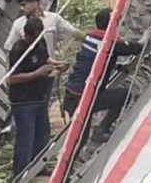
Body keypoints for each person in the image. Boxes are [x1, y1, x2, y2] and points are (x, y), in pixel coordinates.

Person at [62, 8, 145, 144]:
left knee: (79, 138)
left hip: (72, 94)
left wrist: (116, 66)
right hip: (85, 96)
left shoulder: (90, 37)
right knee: (124, 95)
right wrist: (146, 37)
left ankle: (71, 159)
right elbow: (135, 48)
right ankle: (101, 130)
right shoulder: (110, 43)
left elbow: (95, 59)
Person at [8, 17, 63, 176]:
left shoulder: (41, 42)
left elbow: (45, 58)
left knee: (42, 134)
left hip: (40, 96)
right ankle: (21, 174)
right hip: (24, 101)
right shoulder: (18, 50)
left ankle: (39, 166)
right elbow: (12, 78)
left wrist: (55, 64)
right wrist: (37, 73)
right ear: (29, 35)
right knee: (26, 137)